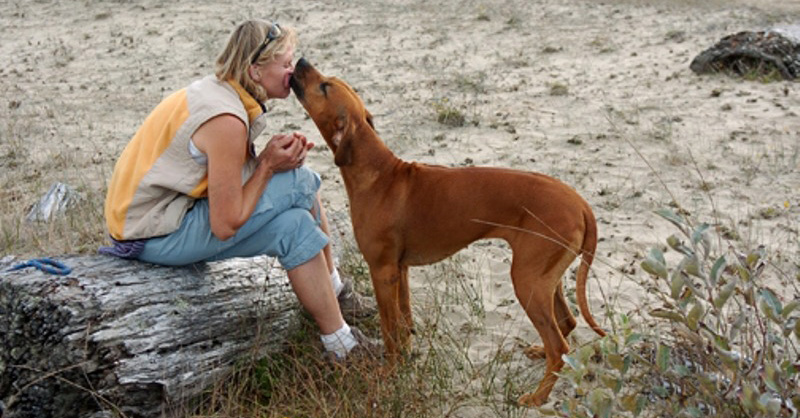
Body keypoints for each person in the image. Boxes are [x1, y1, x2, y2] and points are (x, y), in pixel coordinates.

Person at [100, 19, 376, 361]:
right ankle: (337, 294)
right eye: (285, 63)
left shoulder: (218, 93)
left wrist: (267, 163)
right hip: (155, 232)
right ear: (255, 71)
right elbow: (225, 223)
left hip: (157, 219)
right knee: (301, 181)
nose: (293, 71)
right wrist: (267, 166)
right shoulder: (226, 120)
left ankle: (340, 343)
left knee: (295, 226)